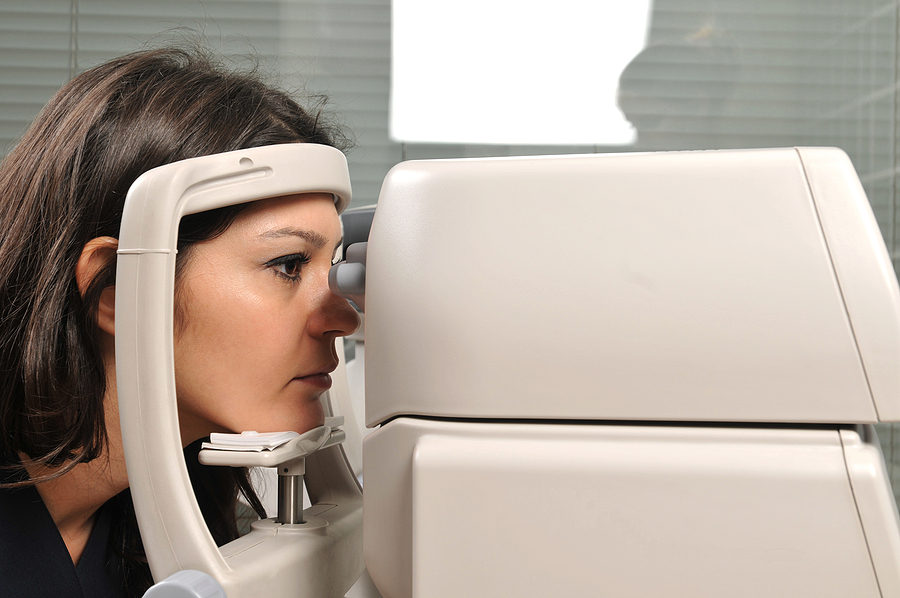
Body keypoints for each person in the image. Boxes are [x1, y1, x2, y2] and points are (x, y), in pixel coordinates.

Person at [0, 44, 361, 597]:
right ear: (117, 290)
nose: (343, 318)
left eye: (331, 266)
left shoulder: (162, 536)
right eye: (289, 264)